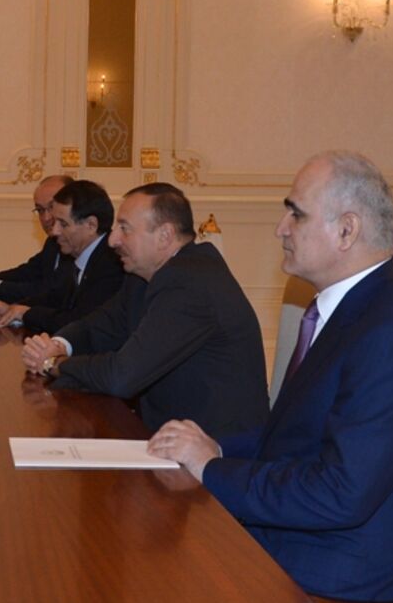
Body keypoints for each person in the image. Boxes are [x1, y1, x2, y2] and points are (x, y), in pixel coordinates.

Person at [147, 152, 393, 603]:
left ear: (346, 230)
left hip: (345, 596)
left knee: (151, 594)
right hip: (312, 554)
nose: (281, 228)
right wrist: (213, 448)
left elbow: (340, 494)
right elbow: (297, 431)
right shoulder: (357, 311)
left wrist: (212, 469)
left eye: (295, 213)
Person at [21, 182, 268, 436]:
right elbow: (99, 326)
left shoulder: (189, 283)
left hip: (217, 444)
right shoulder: (144, 275)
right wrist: (58, 345)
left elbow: (121, 376)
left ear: (164, 236)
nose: (112, 240)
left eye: (124, 229)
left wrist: (55, 363)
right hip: (169, 430)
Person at [0, 179, 125, 334]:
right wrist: (11, 308)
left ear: (91, 225)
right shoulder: (80, 254)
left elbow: (79, 321)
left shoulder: (112, 263)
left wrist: (26, 313)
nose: (55, 231)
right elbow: (55, 297)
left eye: (63, 224)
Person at [0, 174, 74, 302]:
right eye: (40, 210)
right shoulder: (53, 243)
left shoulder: (76, 245)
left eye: (52, 207)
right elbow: (27, 273)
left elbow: (48, 291)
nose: (46, 218)